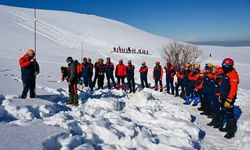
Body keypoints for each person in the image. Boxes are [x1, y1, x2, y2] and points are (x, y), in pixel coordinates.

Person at [219, 58, 239, 139]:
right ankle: (228, 127)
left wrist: (229, 99)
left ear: (229, 66)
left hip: (229, 98)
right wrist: (221, 95)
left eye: (225, 65)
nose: (223, 66)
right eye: (223, 64)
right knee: (226, 113)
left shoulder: (233, 75)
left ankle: (231, 131)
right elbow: (223, 86)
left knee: (229, 114)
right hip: (224, 96)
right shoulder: (225, 73)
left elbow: (233, 88)